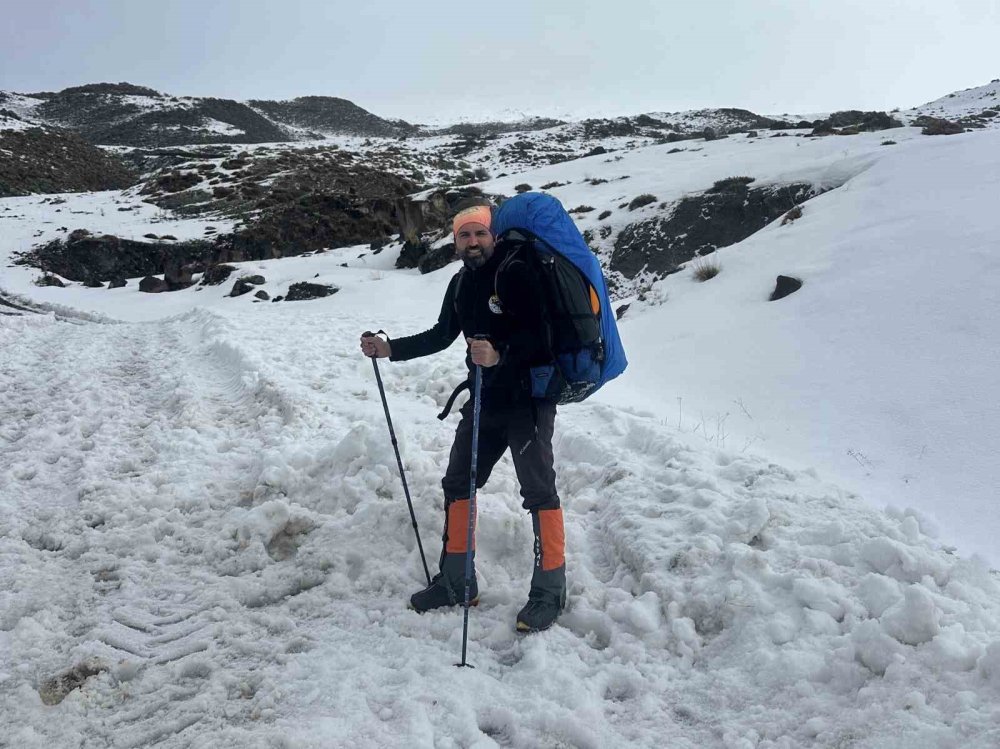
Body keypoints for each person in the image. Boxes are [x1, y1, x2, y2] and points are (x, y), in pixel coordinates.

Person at [359, 202, 566, 633]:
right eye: (463, 236)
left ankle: (549, 593)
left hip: (528, 399)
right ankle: (457, 580)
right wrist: (389, 348)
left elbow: (544, 338)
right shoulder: (461, 283)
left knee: (538, 490)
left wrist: (501, 352)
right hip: (486, 398)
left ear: (493, 237)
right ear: (455, 242)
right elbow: (440, 335)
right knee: (458, 482)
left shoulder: (517, 272)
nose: (472, 242)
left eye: (479, 234)